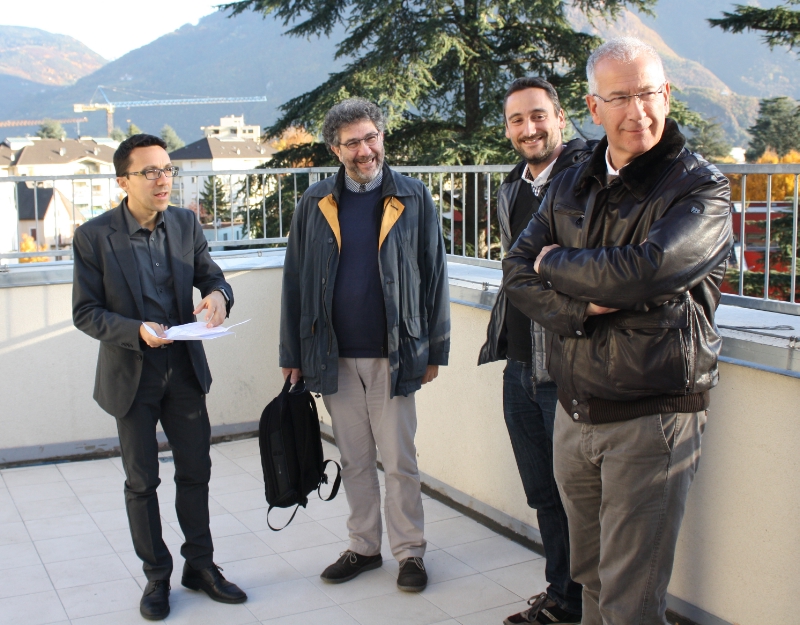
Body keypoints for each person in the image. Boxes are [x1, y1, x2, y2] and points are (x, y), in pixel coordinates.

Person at [503, 38, 733, 625]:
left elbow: (645, 272)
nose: (638, 111)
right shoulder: (573, 181)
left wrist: (555, 262)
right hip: (575, 410)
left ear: (667, 95)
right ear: (593, 106)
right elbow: (515, 272)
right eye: (620, 97)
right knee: (591, 578)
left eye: (649, 93)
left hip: (652, 416)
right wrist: (582, 307)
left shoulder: (700, 187)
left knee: (631, 598)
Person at [72, 134, 246, 621]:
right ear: (123, 181)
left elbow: (213, 277)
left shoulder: (186, 223)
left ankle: (201, 566)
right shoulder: (94, 236)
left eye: (167, 169)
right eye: (150, 172)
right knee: (142, 480)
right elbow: (86, 312)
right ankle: (156, 576)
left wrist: (219, 297)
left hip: (184, 370)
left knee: (196, 471)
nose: (162, 179)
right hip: (131, 375)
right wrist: (136, 330)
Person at [279, 98, 450, 592]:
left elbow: (434, 275)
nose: (364, 150)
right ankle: (364, 546)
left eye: (370, 137)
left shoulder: (413, 196)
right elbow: (295, 281)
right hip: (332, 356)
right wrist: (292, 355)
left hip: (395, 354)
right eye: (352, 142)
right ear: (336, 150)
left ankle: (410, 552)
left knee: (399, 461)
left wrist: (435, 351)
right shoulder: (314, 202)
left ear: (382, 137)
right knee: (354, 460)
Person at [478, 77, 591, 625]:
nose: (529, 129)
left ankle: (588, 604)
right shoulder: (511, 187)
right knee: (543, 493)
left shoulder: (588, 178)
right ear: (507, 129)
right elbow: (515, 271)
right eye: (517, 120)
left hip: (567, 365)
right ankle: (561, 599)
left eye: (539, 115)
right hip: (519, 362)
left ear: (561, 118)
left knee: (578, 497)